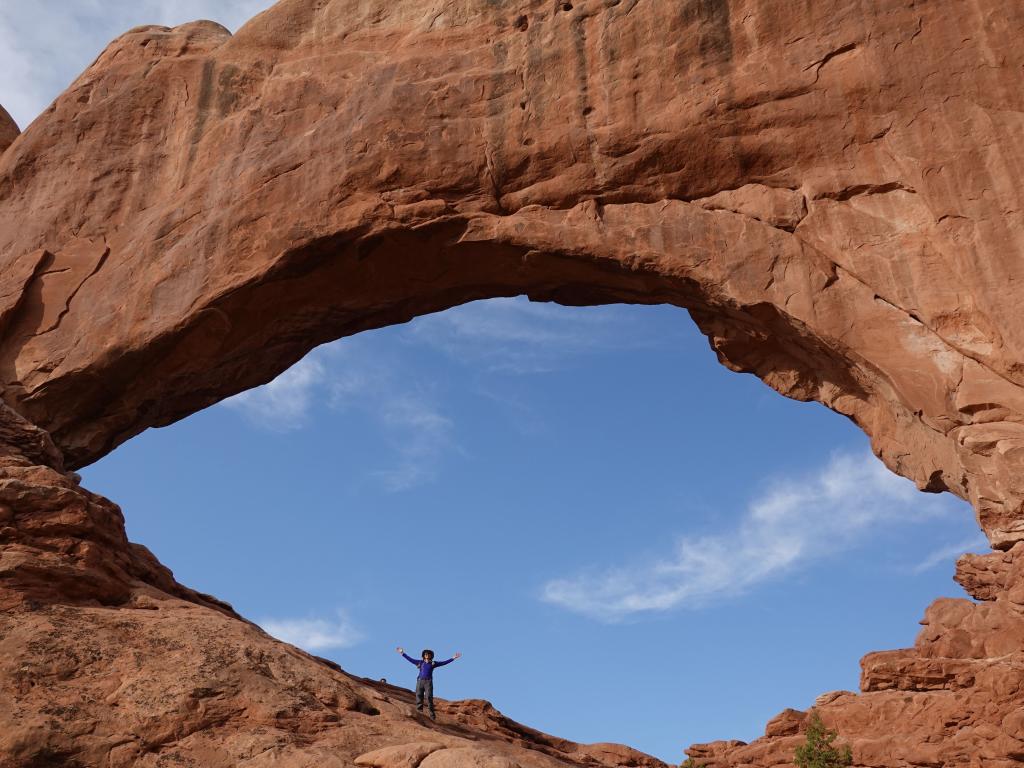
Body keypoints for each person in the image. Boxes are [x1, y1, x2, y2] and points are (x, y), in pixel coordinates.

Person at [396, 646, 461, 720]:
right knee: (419, 695)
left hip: (428, 682)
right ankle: (419, 711)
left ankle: (432, 715)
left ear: (431, 656)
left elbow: (443, 663)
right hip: (420, 681)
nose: (427, 655)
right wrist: (402, 653)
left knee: (429, 697)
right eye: (426, 654)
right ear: (423, 655)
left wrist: (453, 658)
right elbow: (410, 659)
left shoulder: (433, 663)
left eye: (429, 654)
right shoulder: (420, 662)